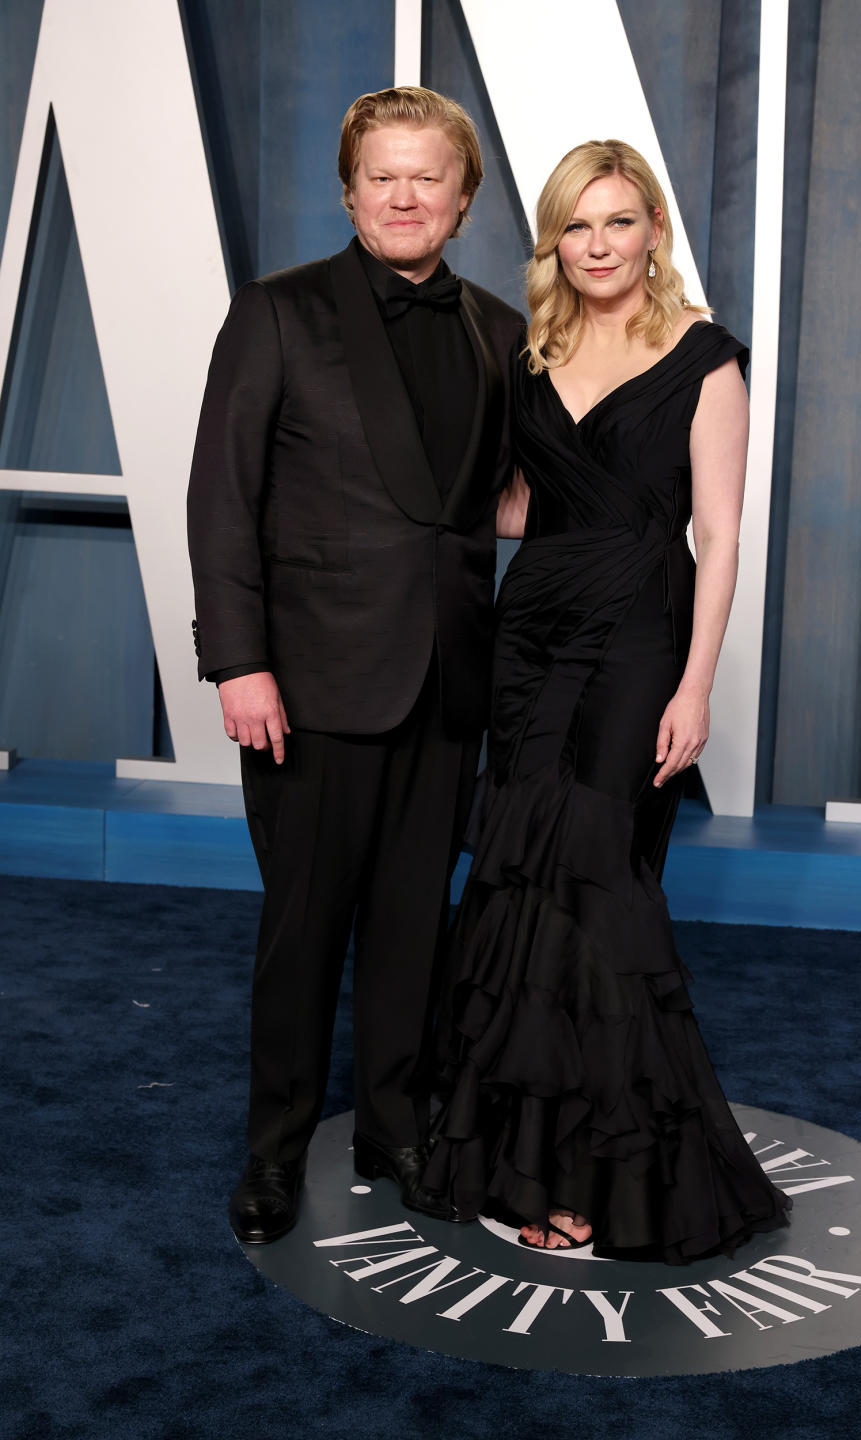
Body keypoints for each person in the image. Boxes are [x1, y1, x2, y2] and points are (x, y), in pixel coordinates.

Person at [423, 140, 792, 1261]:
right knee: (523, 882)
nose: (598, 246)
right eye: (577, 227)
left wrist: (696, 684)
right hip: (531, 632)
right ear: (554, 241)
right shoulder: (534, 349)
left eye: (619, 222)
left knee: (600, 883)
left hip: (641, 634)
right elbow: (526, 508)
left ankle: (597, 1169)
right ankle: (519, 1158)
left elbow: (720, 534)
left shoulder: (704, 358)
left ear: (653, 233)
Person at [187, 87, 525, 1245]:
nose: (404, 195)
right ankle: (274, 1155)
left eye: (427, 176)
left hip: (445, 681)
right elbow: (221, 502)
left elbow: (495, 503)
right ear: (348, 190)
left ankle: (396, 1129)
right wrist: (239, 662)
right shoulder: (276, 314)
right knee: (302, 932)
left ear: (464, 198)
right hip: (311, 686)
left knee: (410, 930)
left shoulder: (496, 328)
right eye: (382, 175)